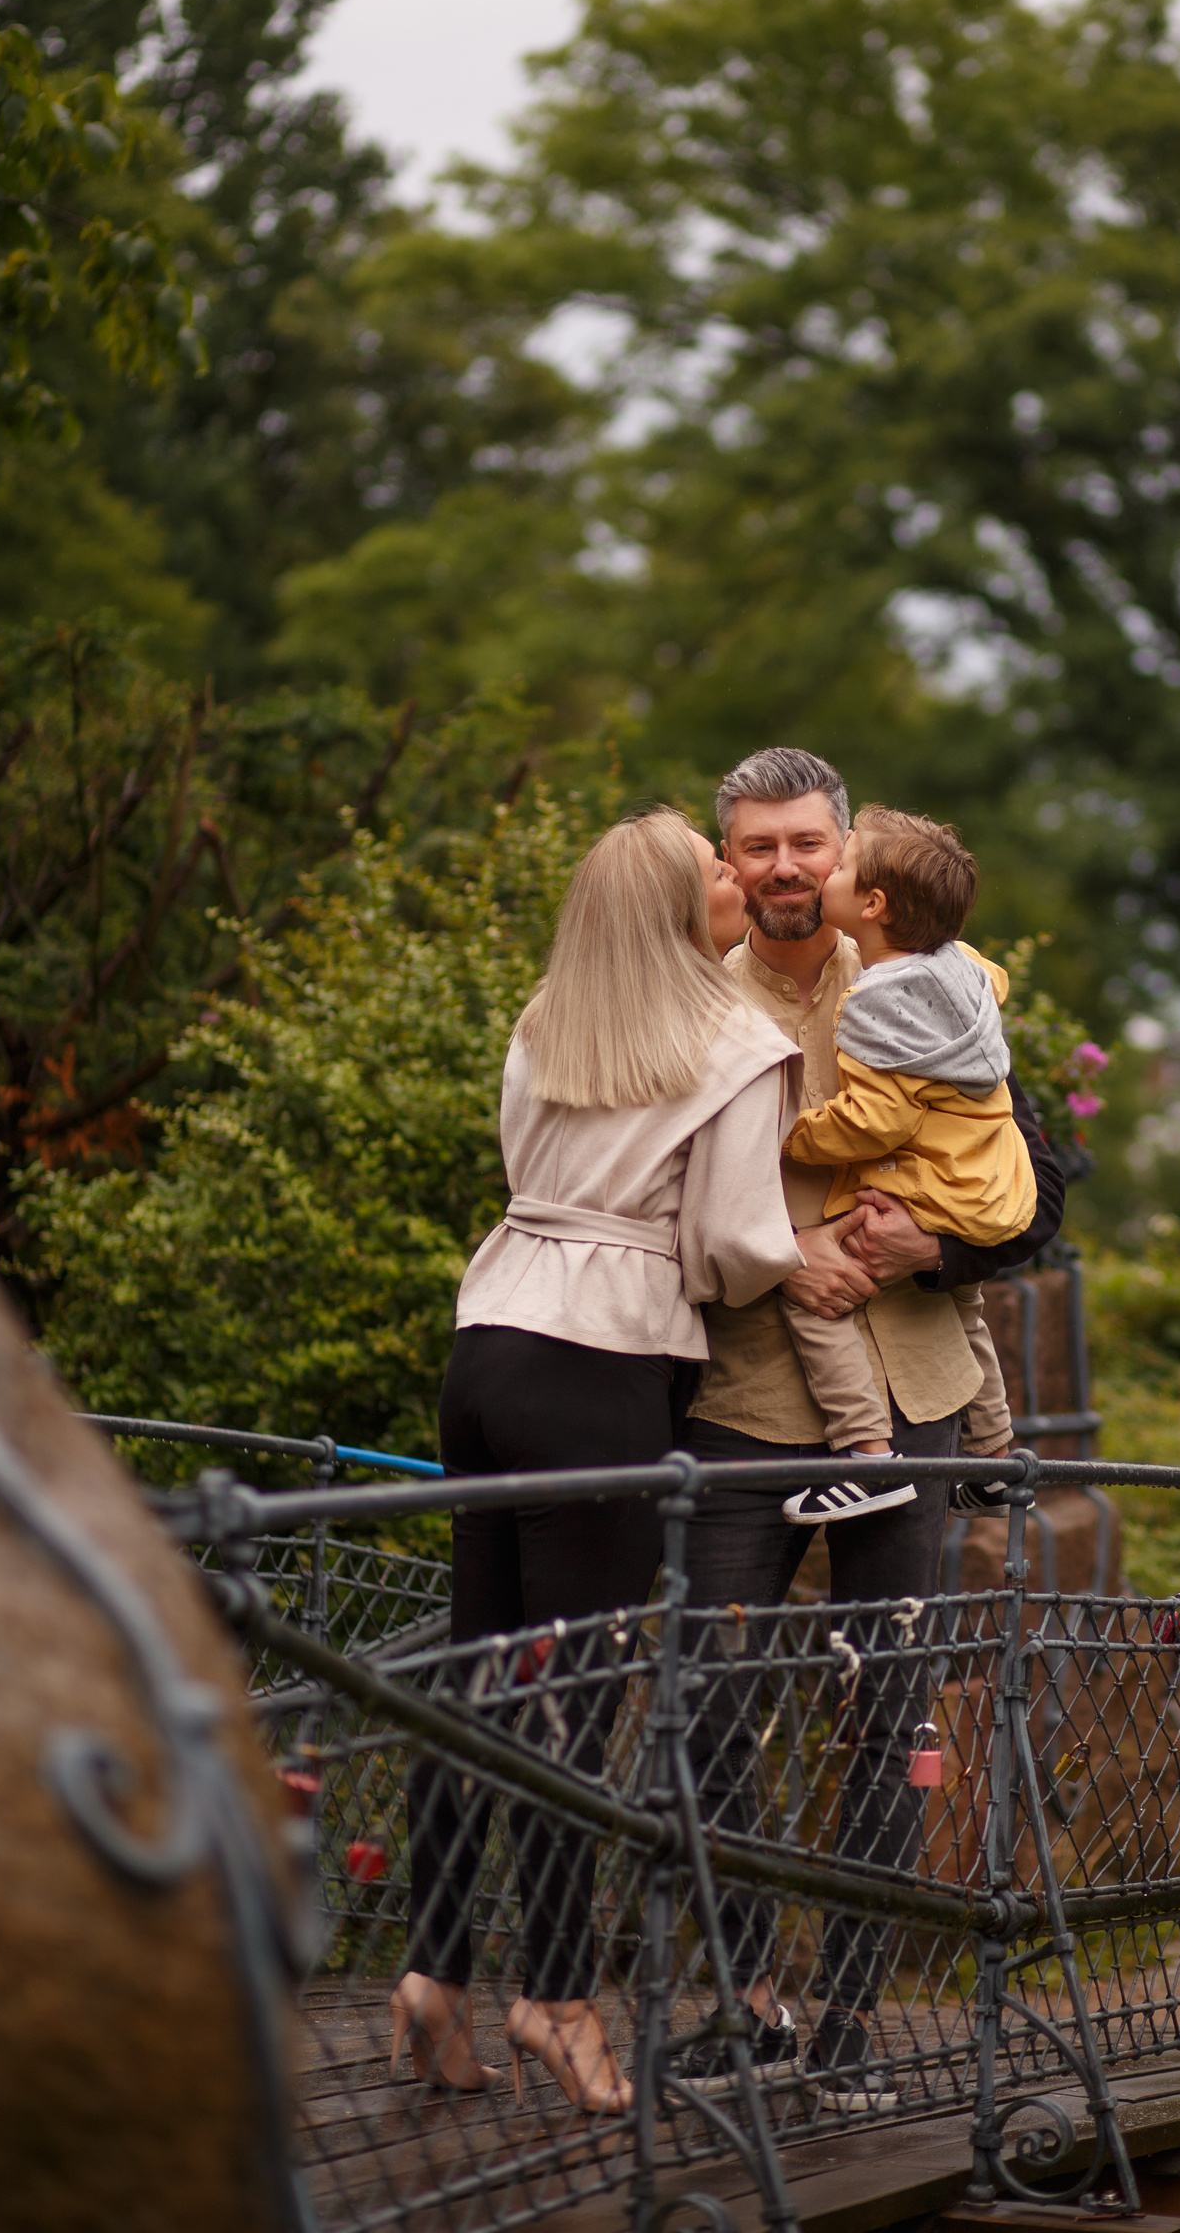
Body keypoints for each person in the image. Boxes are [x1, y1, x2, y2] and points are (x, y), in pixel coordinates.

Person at [389, 809, 802, 2117]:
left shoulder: (545, 1017)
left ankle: (433, 1976)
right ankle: (558, 1998)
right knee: (583, 1688)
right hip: (601, 1367)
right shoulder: (740, 1046)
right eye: (717, 867)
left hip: (487, 1345)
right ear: (684, 909)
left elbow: (532, 1169)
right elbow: (737, 1243)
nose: (739, 878)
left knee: (481, 1678)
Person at [674, 747, 1066, 2112]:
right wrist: (787, 1255)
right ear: (723, 862)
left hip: (906, 1406)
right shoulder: (683, 1001)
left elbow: (1031, 1191)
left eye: (803, 843)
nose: (780, 867)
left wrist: (929, 1254)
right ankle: (744, 2001)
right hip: (732, 1400)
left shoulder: (921, 980)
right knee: (707, 1704)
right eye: (753, 847)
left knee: (889, 1715)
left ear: (843, 856)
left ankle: (844, 2020)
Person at [775, 804, 1034, 1525]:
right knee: (963, 1300)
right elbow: (998, 983)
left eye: (840, 860)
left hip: (937, 1192)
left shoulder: (878, 1006)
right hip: (992, 1182)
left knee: (816, 1282)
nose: (822, 869)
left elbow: (875, 1121)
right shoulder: (961, 967)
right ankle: (994, 1455)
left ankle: (865, 1456)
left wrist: (795, 1136)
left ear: (872, 904)